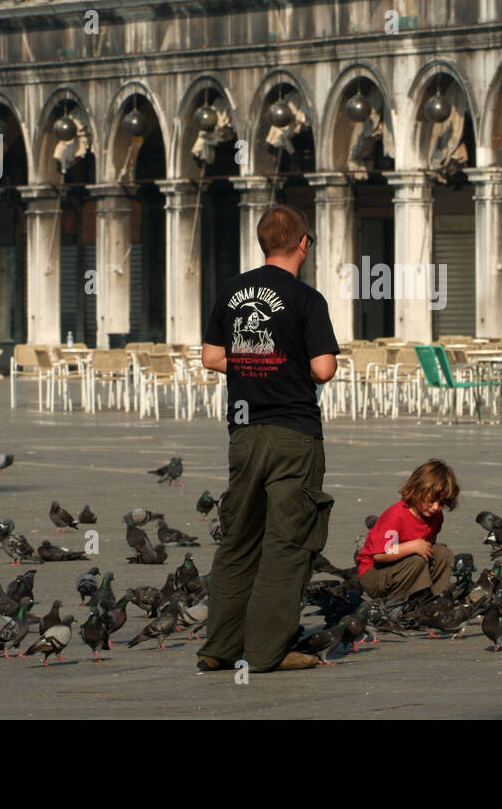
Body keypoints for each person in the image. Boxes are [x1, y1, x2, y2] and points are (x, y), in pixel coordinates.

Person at [199, 204, 340, 673]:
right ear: (303, 243)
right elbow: (323, 368)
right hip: (293, 432)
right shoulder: (306, 299)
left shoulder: (232, 289)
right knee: (287, 542)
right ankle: (265, 651)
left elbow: (211, 356)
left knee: (239, 538)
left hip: (244, 431)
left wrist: (256, 361)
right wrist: (288, 364)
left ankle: (218, 646)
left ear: (263, 244)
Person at [357, 459, 460, 601]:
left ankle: (434, 599)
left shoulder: (436, 517)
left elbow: (430, 545)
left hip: (404, 567)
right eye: (431, 501)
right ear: (417, 491)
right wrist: (413, 546)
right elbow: (380, 554)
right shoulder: (396, 515)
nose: (436, 507)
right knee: (417, 559)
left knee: (443, 553)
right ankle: (403, 601)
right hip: (374, 573)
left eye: (441, 503)